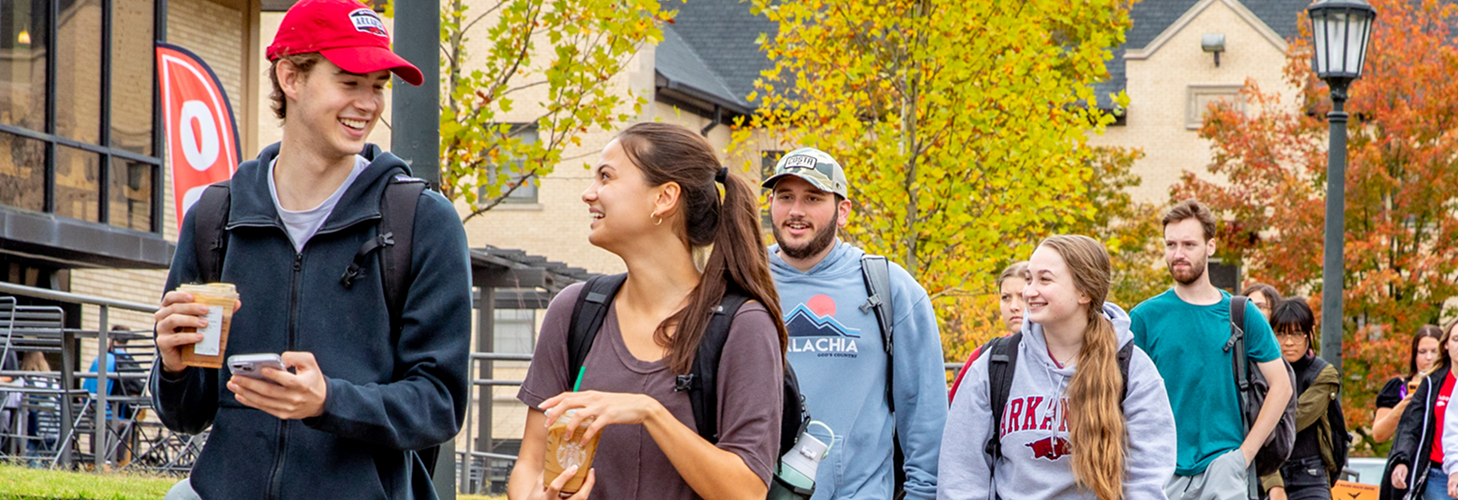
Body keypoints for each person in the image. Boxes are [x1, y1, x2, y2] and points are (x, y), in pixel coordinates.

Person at [149, 1, 472, 498]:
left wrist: (328, 401)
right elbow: (186, 414)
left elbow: (440, 402)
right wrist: (172, 365)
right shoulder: (217, 216)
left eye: (378, 86)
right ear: (291, 78)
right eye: (350, 81)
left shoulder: (422, 221)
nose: (368, 103)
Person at [507, 122, 787, 500]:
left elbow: (747, 491)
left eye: (606, 177)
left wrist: (649, 412)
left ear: (664, 198)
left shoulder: (742, 325)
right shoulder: (573, 312)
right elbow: (530, 464)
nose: (589, 194)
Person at [763, 147, 947, 499]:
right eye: (785, 196)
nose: (796, 211)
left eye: (813, 197)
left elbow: (925, 416)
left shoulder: (889, 287)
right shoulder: (741, 282)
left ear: (843, 211)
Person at [939, 235, 1176, 500]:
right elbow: (961, 476)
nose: (1029, 291)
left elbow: (1146, 479)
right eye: (1030, 279)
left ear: (1084, 292)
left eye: (1045, 279)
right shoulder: (996, 365)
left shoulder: (1131, 368)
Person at [1130, 199, 1293, 500]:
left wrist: (1243, 457)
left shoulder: (1242, 313)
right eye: (1171, 244)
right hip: (1161, 470)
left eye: (1189, 244)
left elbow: (1281, 386)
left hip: (1224, 468)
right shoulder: (1144, 318)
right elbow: (1120, 394)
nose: (1178, 254)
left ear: (1211, 246)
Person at [1262, 299, 1341, 500]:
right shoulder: (1260, 372)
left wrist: (1262, 419)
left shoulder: (1322, 373)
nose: (1289, 342)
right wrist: (1273, 483)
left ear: (1310, 332)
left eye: (1297, 333)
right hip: (1266, 470)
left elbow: (1291, 420)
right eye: (1281, 333)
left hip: (1310, 472)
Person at [1391, 320, 1458, 500]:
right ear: (1446, 345)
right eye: (1456, 339)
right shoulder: (1432, 383)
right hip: (1438, 476)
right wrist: (1402, 459)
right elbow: (1410, 426)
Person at [949, 262, 1028, 402]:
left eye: (1022, 296)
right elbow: (953, 408)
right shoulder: (984, 356)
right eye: (1006, 297)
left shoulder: (1066, 353)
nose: (1014, 306)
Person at [1376, 326, 1444, 443]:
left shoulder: (1451, 385)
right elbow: (1378, 435)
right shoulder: (1398, 387)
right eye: (1422, 352)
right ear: (1414, 355)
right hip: (1408, 456)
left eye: (1434, 351)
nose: (1429, 358)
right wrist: (1402, 406)